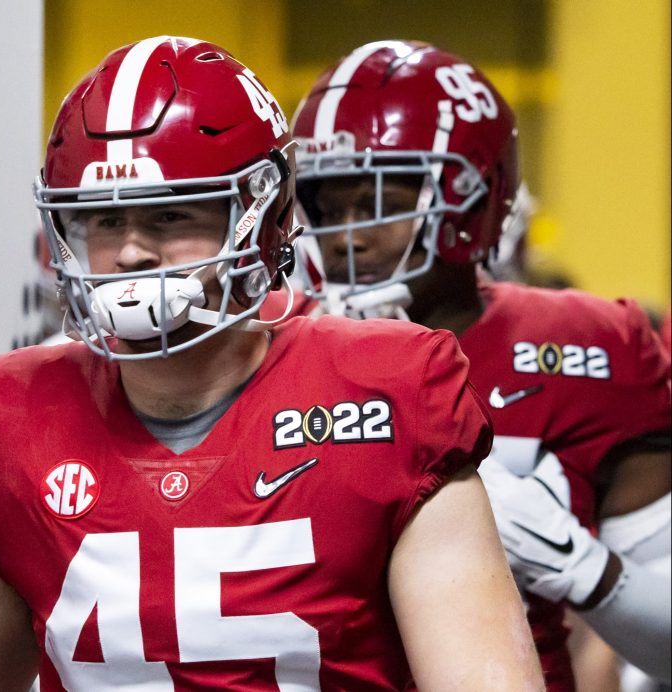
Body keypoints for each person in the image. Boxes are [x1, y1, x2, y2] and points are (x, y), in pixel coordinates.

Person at [0, 35, 542, 691]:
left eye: (169, 215)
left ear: (260, 217)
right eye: (103, 220)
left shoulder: (392, 393)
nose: (129, 254)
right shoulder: (5, 422)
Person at [289, 39, 671, 691]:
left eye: (379, 201)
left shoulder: (594, 351)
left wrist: (585, 569)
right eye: (328, 207)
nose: (347, 234)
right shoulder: (270, 343)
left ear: (470, 195)